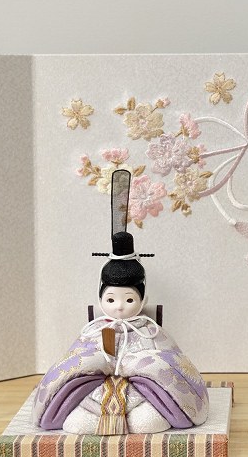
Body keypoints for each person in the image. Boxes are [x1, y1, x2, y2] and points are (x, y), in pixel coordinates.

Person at [26, 172, 209, 435]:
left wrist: (138, 364)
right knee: (77, 420)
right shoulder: (96, 330)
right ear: (100, 298)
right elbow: (75, 358)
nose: (119, 307)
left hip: (141, 392)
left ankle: (136, 418)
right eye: (111, 299)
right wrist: (98, 361)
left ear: (143, 299)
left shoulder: (150, 330)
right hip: (96, 391)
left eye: (129, 299)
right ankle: (96, 418)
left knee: (148, 420)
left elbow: (170, 358)